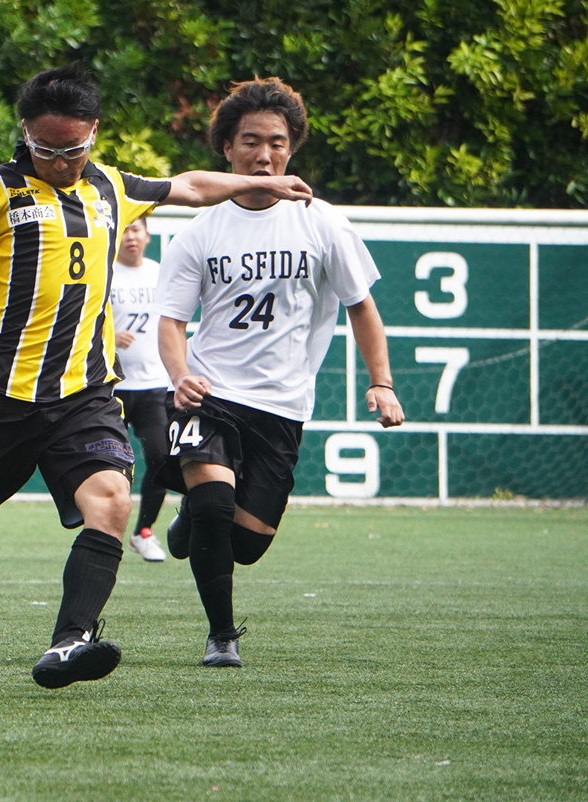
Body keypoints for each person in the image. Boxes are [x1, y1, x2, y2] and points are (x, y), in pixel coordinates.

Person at [0, 64, 312, 689]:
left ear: (93, 134)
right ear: (26, 133)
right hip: (0, 397)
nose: (61, 161)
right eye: (47, 149)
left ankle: (69, 642)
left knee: (110, 501)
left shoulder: (109, 185)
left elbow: (186, 185)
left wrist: (257, 181)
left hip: (85, 395)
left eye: (74, 148)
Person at [154, 77, 405, 668]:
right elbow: (170, 321)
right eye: (249, 142)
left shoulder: (322, 223)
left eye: (276, 142)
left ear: (291, 149)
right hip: (209, 394)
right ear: (227, 149)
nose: (263, 155)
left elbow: (361, 306)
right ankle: (222, 637)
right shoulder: (201, 231)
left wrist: (382, 382)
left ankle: (190, 513)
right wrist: (180, 373)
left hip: (282, 406)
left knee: (244, 544)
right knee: (217, 506)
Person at [110, 216, 169, 562]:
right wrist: (109, 336)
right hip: (112, 386)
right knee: (108, 466)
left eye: (136, 229)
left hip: (153, 385)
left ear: (147, 235)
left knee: (161, 459)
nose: (131, 236)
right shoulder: (103, 272)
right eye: (125, 230)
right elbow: (82, 319)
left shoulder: (161, 273)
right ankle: (104, 531)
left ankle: (143, 532)